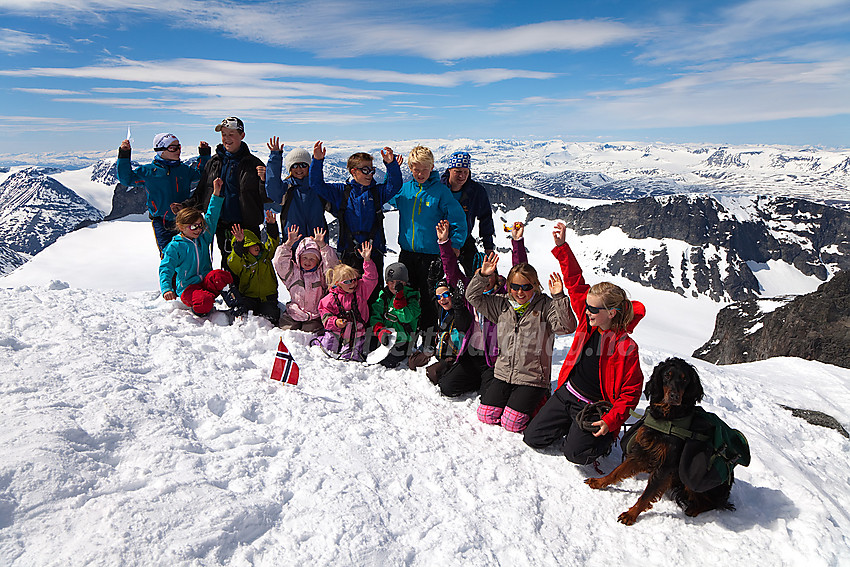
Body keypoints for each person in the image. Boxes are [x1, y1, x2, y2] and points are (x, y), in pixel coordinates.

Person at [523, 221, 646, 465]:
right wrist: (562, 247)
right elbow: (575, 282)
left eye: (592, 309)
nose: (586, 311)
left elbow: (631, 392)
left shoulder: (626, 347)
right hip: (568, 393)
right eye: (587, 306)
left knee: (575, 454)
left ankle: (602, 440)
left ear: (611, 313)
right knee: (533, 438)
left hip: (595, 405)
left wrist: (611, 420)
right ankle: (570, 425)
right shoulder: (588, 323)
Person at [465, 248, 577, 434]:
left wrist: (559, 297)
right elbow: (472, 297)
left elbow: (567, 327)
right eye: (515, 287)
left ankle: (540, 399)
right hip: (503, 373)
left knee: (512, 424)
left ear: (535, 284)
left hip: (532, 377)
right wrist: (483, 275)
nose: (520, 292)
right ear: (508, 286)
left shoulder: (546, 305)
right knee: (486, 415)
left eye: (526, 287)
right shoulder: (501, 304)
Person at [429, 220, 528, 397]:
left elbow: (521, 274)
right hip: (471, 354)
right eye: (479, 275)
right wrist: (444, 243)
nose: (484, 280)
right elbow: (452, 272)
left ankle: (488, 384)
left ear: (495, 274)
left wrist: (517, 243)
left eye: (488, 275)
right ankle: (478, 380)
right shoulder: (469, 290)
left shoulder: (506, 293)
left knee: (489, 397)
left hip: (496, 359)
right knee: (447, 387)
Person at [390, 145, 468, 337]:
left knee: (428, 297)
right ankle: (407, 334)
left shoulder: (440, 192)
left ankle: (429, 337)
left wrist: (456, 244)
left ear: (432, 166)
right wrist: (391, 171)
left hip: (432, 255)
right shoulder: (405, 189)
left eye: (425, 168)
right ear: (410, 168)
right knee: (406, 295)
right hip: (407, 253)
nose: (420, 173)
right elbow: (389, 195)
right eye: (416, 168)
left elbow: (458, 219)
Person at [310, 141, 402, 298]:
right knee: (349, 291)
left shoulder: (376, 192)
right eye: (365, 170)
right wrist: (317, 161)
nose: (370, 175)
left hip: (374, 251)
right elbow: (316, 184)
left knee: (373, 292)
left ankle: (373, 321)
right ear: (353, 171)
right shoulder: (341, 192)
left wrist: (391, 165)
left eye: (372, 170)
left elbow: (395, 185)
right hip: (349, 251)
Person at [184, 117, 266, 270]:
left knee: (251, 266)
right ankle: (231, 294)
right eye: (224, 134)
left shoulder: (254, 164)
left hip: (247, 225)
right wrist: (185, 206)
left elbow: (266, 197)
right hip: (223, 226)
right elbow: (202, 193)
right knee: (228, 265)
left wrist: (263, 181)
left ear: (242, 135)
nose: (226, 139)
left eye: (231, 134)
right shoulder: (214, 163)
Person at [117, 133, 211, 254]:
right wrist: (124, 154)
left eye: (179, 147)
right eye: (173, 148)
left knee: (192, 254)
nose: (178, 150)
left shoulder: (183, 170)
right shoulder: (149, 172)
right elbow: (126, 179)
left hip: (186, 220)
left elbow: (202, 175)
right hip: (163, 223)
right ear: (160, 150)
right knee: (169, 256)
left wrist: (204, 154)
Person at [159, 178, 233, 317]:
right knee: (203, 301)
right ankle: (202, 305)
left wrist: (216, 192)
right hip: (188, 288)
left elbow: (212, 216)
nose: (198, 229)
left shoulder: (203, 238)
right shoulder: (175, 247)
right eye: (193, 226)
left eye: (200, 225)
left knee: (221, 275)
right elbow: (166, 268)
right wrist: (167, 288)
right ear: (181, 227)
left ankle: (232, 301)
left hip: (205, 282)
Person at [315, 241, 378, 361]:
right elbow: (325, 316)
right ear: (338, 284)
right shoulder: (329, 299)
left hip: (357, 332)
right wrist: (335, 322)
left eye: (354, 280)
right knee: (327, 350)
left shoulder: (361, 291)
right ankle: (319, 342)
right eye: (348, 282)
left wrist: (367, 260)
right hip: (337, 332)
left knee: (351, 357)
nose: (353, 284)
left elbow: (371, 278)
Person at [273, 226, 339, 332]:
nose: (307, 261)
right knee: (286, 332)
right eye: (304, 258)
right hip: (294, 313)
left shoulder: (321, 275)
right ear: (298, 258)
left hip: (315, 315)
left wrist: (323, 246)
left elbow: (332, 265)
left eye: (312, 258)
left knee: (310, 334)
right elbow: (279, 262)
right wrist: (289, 243)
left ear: (318, 261)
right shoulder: (292, 273)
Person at [441, 151, 496, 276]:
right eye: (458, 171)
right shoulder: (439, 190)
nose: (462, 176)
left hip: (465, 239)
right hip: (440, 240)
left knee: (477, 275)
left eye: (466, 172)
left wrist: (488, 246)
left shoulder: (476, 192)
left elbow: (485, 217)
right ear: (449, 169)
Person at [265, 136, 327, 243]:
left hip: (317, 243)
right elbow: (272, 187)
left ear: (309, 167)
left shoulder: (317, 188)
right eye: (294, 166)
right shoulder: (287, 188)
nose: (299, 169)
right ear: (289, 169)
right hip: (293, 243)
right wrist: (275, 157)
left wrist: (318, 161)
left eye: (303, 165)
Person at [226, 210, 281, 324]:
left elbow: (273, 243)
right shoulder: (242, 262)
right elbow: (233, 262)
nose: (256, 247)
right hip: (249, 297)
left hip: (268, 298)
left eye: (256, 244)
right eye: (251, 245)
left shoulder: (266, 255)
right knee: (244, 314)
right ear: (245, 249)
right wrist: (239, 244)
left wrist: (271, 226)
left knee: (270, 317)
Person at [369, 262, 422, 369]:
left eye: (399, 282)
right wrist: (380, 330)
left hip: (404, 338)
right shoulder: (383, 296)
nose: (394, 285)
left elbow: (407, 318)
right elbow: (376, 315)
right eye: (391, 281)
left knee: (388, 362)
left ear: (405, 283)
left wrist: (399, 299)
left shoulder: (412, 298)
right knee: (369, 352)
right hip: (387, 337)